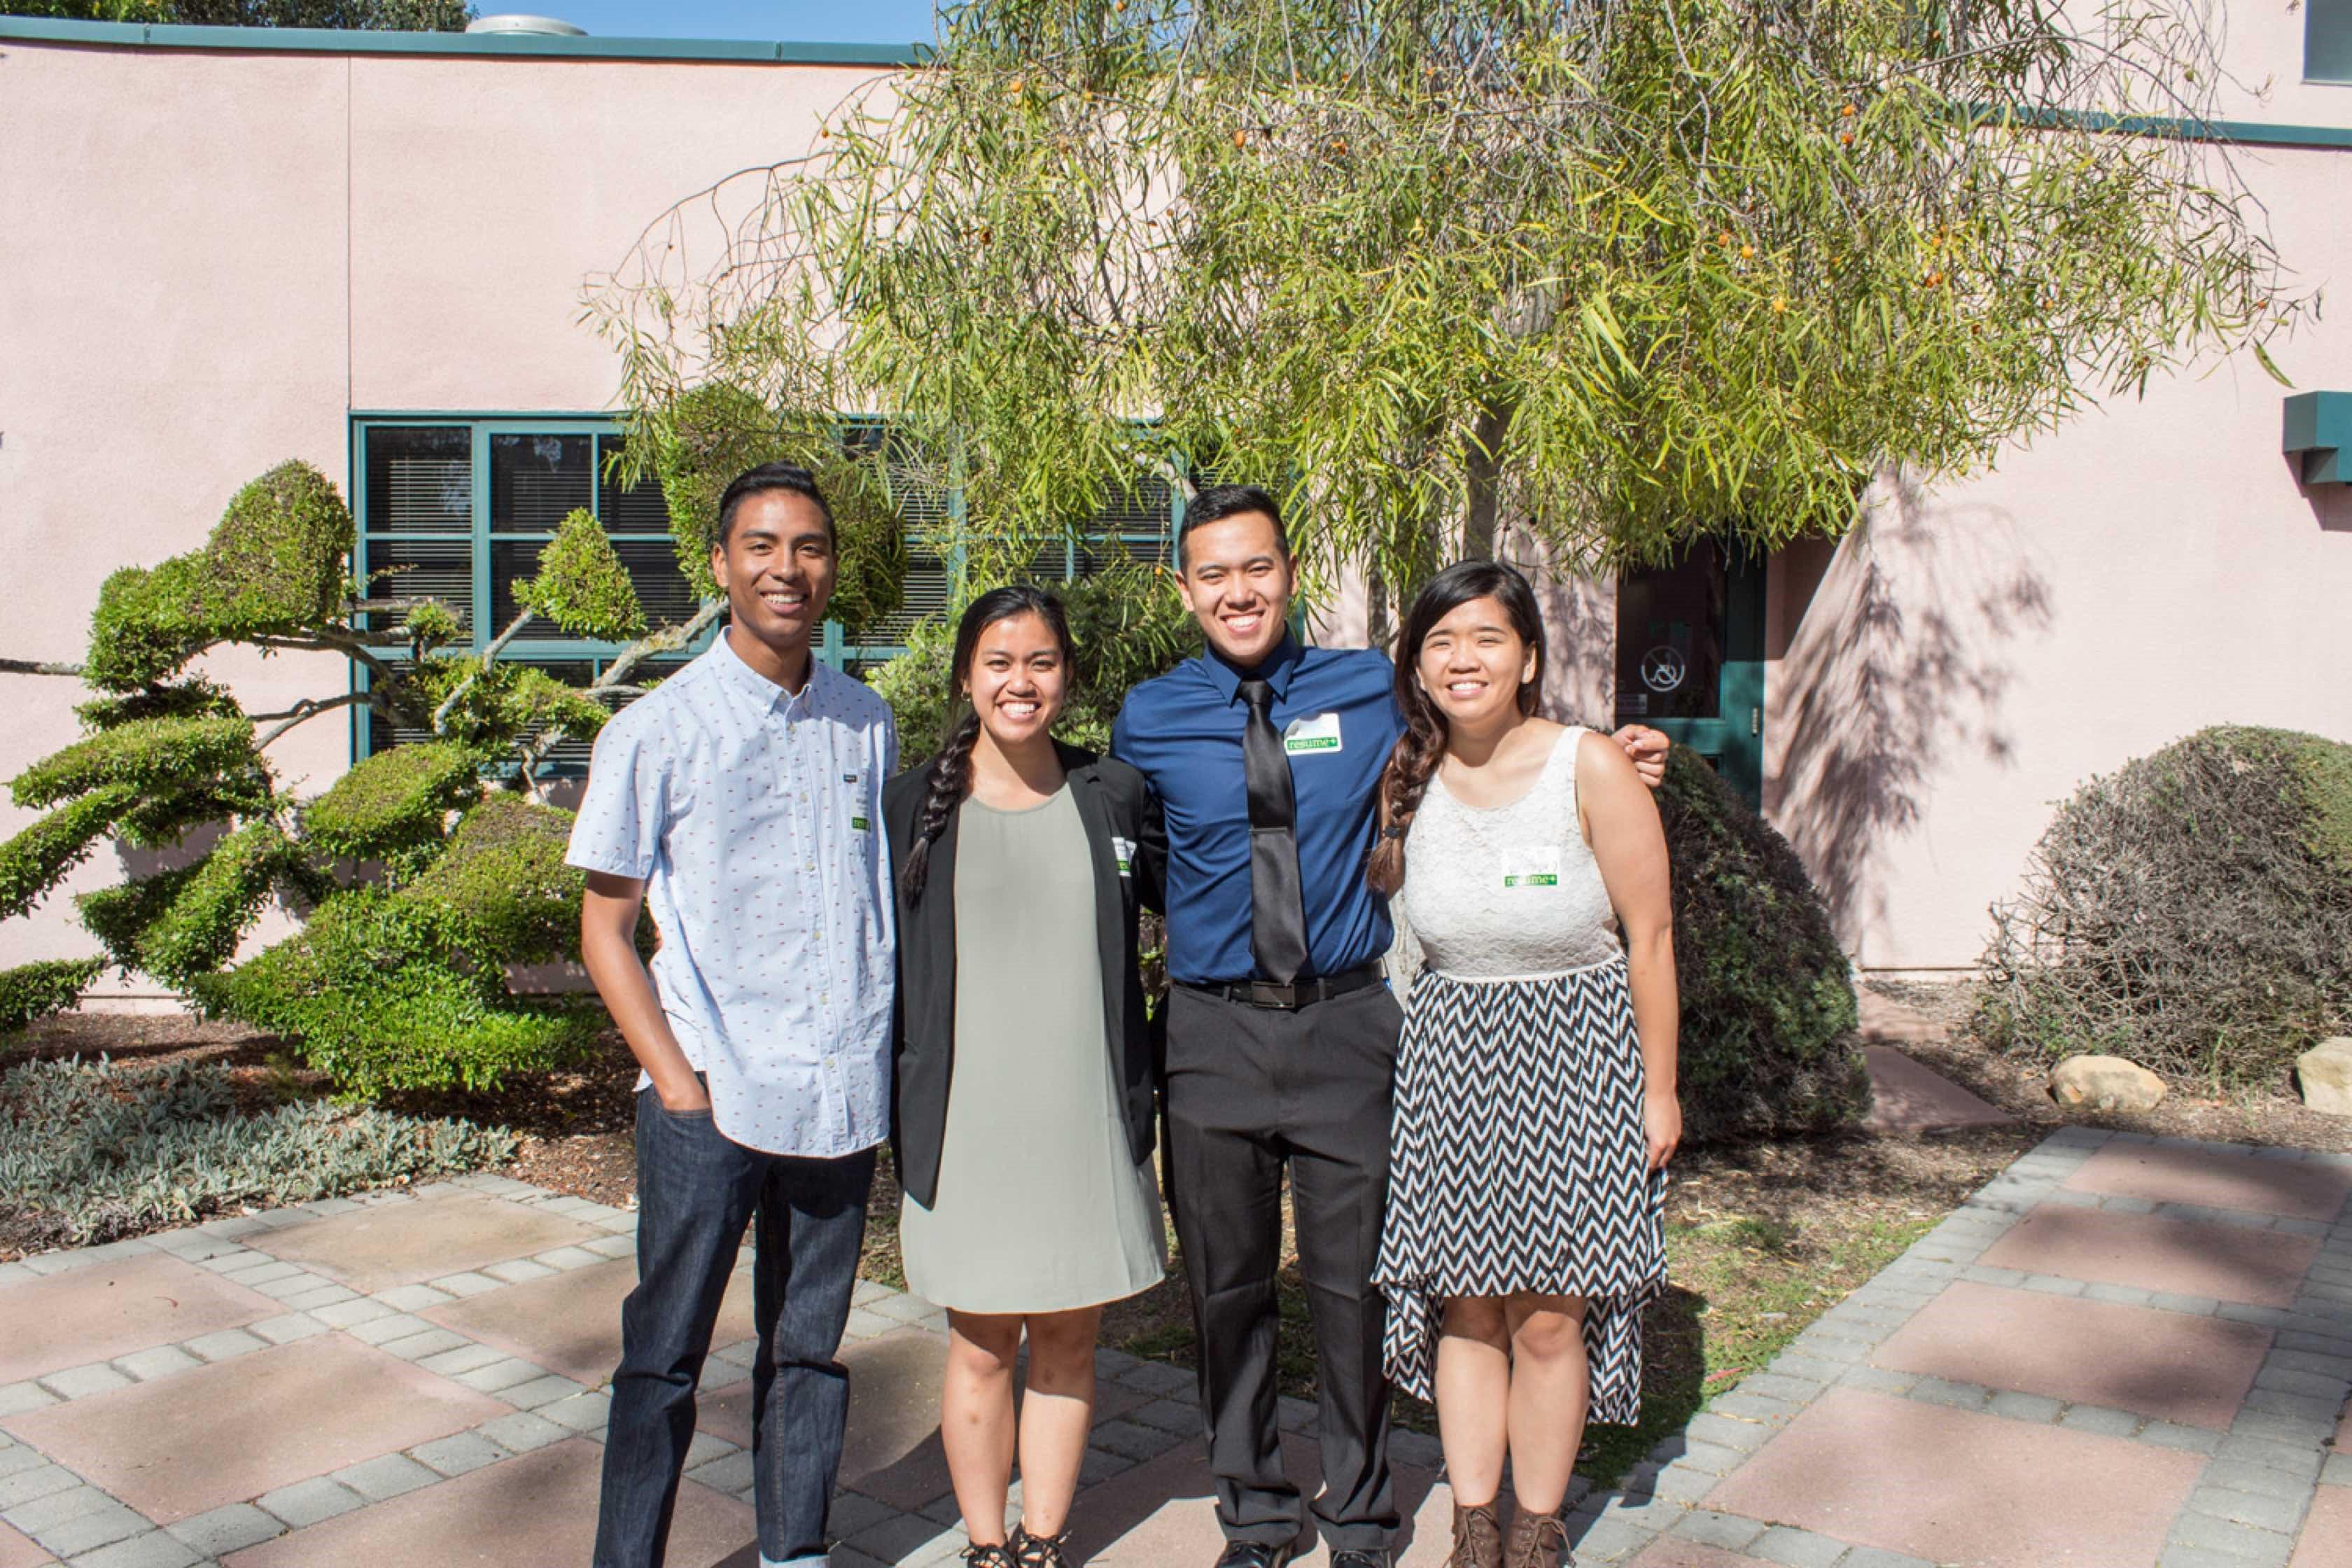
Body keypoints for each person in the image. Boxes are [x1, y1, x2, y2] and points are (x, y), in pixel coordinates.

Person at [1110, 485, 1666, 1568]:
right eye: (1213, 574)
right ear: (1184, 590)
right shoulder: (1149, 714)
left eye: (1257, 567)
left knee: (1353, 1286)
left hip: (1347, 1026)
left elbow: (1493, 742)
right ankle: (1256, 1513)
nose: (1239, 591)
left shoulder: (1370, 688)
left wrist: (1621, 755)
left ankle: (1361, 1514)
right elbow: (1120, 844)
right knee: (1224, 1292)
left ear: (1290, 571)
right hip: (1211, 1034)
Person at [568, 462, 897, 1568]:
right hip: (707, 1093)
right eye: (761, 546)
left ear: (831, 570)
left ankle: (794, 1550)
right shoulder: (657, 731)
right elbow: (604, 929)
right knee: (663, 1355)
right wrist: (675, 1082)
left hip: (836, 1093)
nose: (786, 569)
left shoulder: (866, 722)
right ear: (720, 565)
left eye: (808, 547)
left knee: (807, 1353)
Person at [1367, 560, 1677, 1568]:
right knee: (1466, 1305)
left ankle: (1537, 1532)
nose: (1465, 659)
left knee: (1550, 1314)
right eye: (1442, 641)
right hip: (1452, 1061)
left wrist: (1660, 1092)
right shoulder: (1406, 775)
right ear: (1416, 663)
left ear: (1530, 657)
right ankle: (1472, 1524)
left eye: (1487, 638)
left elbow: (1653, 939)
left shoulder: (1591, 764)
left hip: (1580, 1056)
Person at [881, 585, 1168, 1568]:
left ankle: (1043, 1539)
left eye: (1041, 662)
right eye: (999, 662)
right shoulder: (912, 802)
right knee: (979, 1345)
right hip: (968, 1124)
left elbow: (1215, 882)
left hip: (1083, 1114)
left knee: (1070, 1341)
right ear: (967, 676)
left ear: (1069, 676)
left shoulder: (1114, 793)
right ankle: (986, 1544)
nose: (1021, 681)